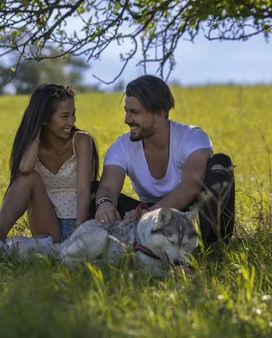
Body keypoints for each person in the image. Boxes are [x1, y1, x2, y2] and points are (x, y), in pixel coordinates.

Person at [92, 75, 235, 246]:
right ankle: (110, 247)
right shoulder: (121, 146)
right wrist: (104, 203)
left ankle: (197, 247)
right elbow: (108, 187)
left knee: (221, 163)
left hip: (191, 215)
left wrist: (147, 215)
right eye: (126, 111)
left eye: (135, 113)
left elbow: (192, 185)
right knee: (93, 190)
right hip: (150, 215)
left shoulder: (192, 137)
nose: (127, 120)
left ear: (160, 113)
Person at [0, 83, 99, 260]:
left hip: (76, 223)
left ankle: (29, 249)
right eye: (64, 116)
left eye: (73, 114)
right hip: (47, 226)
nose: (71, 122)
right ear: (45, 119)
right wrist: (36, 132)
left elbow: (84, 189)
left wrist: (79, 227)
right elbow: (24, 169)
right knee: (28, 177)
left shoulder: (81, 140)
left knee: (37, 252)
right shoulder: (34, 146)